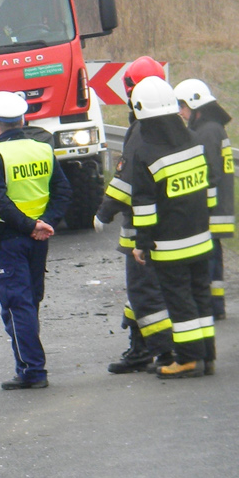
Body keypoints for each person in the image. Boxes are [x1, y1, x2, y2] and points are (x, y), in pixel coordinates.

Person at [0, 90, 72, 390]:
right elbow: (63, 192)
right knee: (30, 301)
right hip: (39, 238)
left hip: (8, 238)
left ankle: (32, 371)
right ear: (23, 120)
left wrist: (29, 226)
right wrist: (45, 224)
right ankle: (29, 366)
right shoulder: (43, 150)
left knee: (18, 305)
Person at [126, 76, 217, 379]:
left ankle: (189, 360)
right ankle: (207, 356)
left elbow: (144, 207)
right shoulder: (194, 141)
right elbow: (208, 189)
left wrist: (142, 243)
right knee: (201, 296)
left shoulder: (146, 154)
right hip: (202, 239)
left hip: (170, 246)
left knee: (180, 301)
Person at [95, 56, 173, 374]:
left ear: (130, 89)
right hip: (168, 225)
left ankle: (161, 351)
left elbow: (127, 182)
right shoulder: (173, 127)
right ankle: (141, 348)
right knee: (146, 292)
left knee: (143, 291)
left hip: (141, 231)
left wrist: (104, 213)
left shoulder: (139, 131)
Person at [175, 79, 236, 320]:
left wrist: (199, 207)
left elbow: (210, 173)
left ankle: (211, 306)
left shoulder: (207, 131)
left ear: (195, 104)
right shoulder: (213, 128)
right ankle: (216, 305)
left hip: (211, 209)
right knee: (213, 256)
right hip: (218, 206)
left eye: (182, 106)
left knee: (208, 257)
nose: (180, 112)